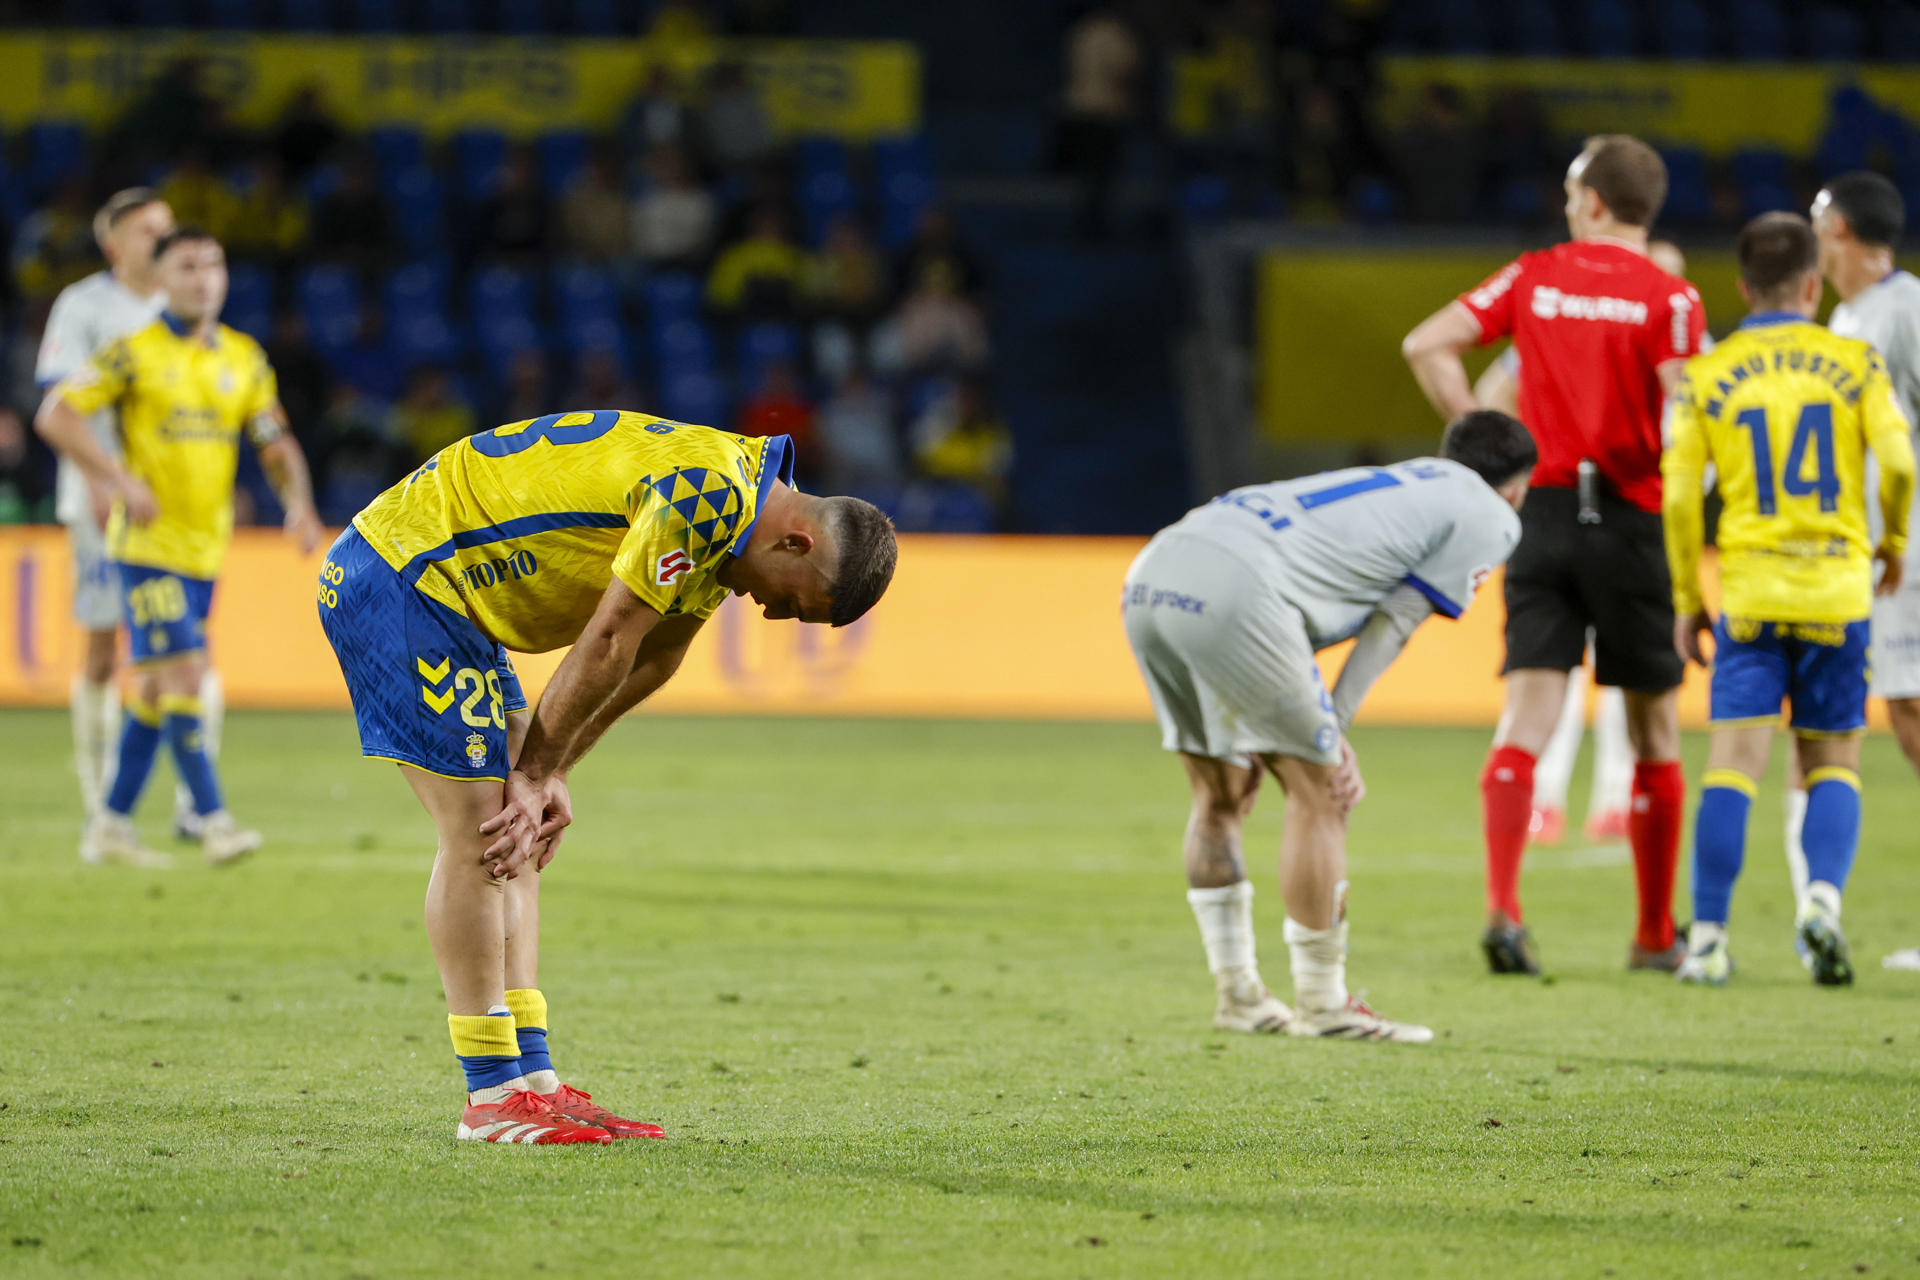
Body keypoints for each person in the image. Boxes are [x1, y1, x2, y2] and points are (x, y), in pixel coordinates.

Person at [317, 410, 897, 1143]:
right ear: (796, 540)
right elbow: (611, 636)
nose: (773, 613)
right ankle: (490, 1094)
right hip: (405, 574)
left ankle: (532, 1081)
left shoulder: (731, 514)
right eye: (793, 601)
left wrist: (550, 770)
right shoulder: (707, 497)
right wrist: (532, 774)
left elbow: (656, 655)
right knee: (481, 831)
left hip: (453, 599)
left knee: (516, 832)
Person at [1123, 411, 1535, 1042]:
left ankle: (1239, 995)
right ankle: (1323, 1004)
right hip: (1241, 589)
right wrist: (1332, 728)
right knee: (1322, 793)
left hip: (1153, 572)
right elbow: (1395, 620)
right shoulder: (1491, 514)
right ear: (1515, 486)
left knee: (1218, 795)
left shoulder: (1405, 482)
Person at [1401, 135, 1705, 976]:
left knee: (1527, 721)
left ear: (1597, 203)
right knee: (1652, 731)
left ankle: (1504, 909)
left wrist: (1483, 448)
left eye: (1574, 192)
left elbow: (1426, 344)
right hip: (1634, 520)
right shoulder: (1672, 299)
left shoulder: (1533, 277)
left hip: (1536, 516)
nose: (1568, 206)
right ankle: (1652, 936)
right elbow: (1690, 414)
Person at [1665, 211, 1915, 986]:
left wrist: (1685, 595)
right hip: (1839, 591)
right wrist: (1894, 543)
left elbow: (1679, 498)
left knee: (1734, 766)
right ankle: (1822, 905)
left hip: (1750, 591)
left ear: (1743, 287)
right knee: (1833, 760)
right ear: (1813, 285)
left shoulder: (1709, 373)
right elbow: (1901, 464)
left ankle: (1707, 938)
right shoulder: (1854, 362)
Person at [35, 227, 324, 868]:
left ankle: (109, 823)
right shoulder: (131, 352)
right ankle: (212, 818)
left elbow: (273, 440)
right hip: (146, 546)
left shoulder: (244, 358)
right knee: (188, 673)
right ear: (161, 279)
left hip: (205, 550)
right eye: (188, 267)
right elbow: (55, 413)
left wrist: (297, 502)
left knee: (158, 689)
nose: (203, 279)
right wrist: (114, 477)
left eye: (213, 266)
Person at [1473, 238, 1701, 846]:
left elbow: (1489, 393)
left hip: (1567, 513)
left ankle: (1605, 800)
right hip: (1629, 515)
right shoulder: (1675, 342)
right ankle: (1560, 800)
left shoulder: (1580, 323)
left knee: (1570, 675)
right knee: (1612, 683)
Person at [35, 188, 175, 851]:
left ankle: (190, 803)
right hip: (101, 500)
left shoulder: (182, 307)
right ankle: (98, 798)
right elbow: (63, 399)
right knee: (100, 647)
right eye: (150, 230)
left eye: (167, 229)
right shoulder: (85, 306)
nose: (163, 240)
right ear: (114, 243)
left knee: (184, 644)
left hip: (174, 504)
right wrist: (99, 478)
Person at [1806, 173, 1920, 972]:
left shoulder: (1905, 311)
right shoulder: (1852, 316)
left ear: (1840, 227)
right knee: (1905, 715)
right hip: (1880, 548)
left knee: (1911, 713)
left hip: (1908, 547)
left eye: (1818, 222)